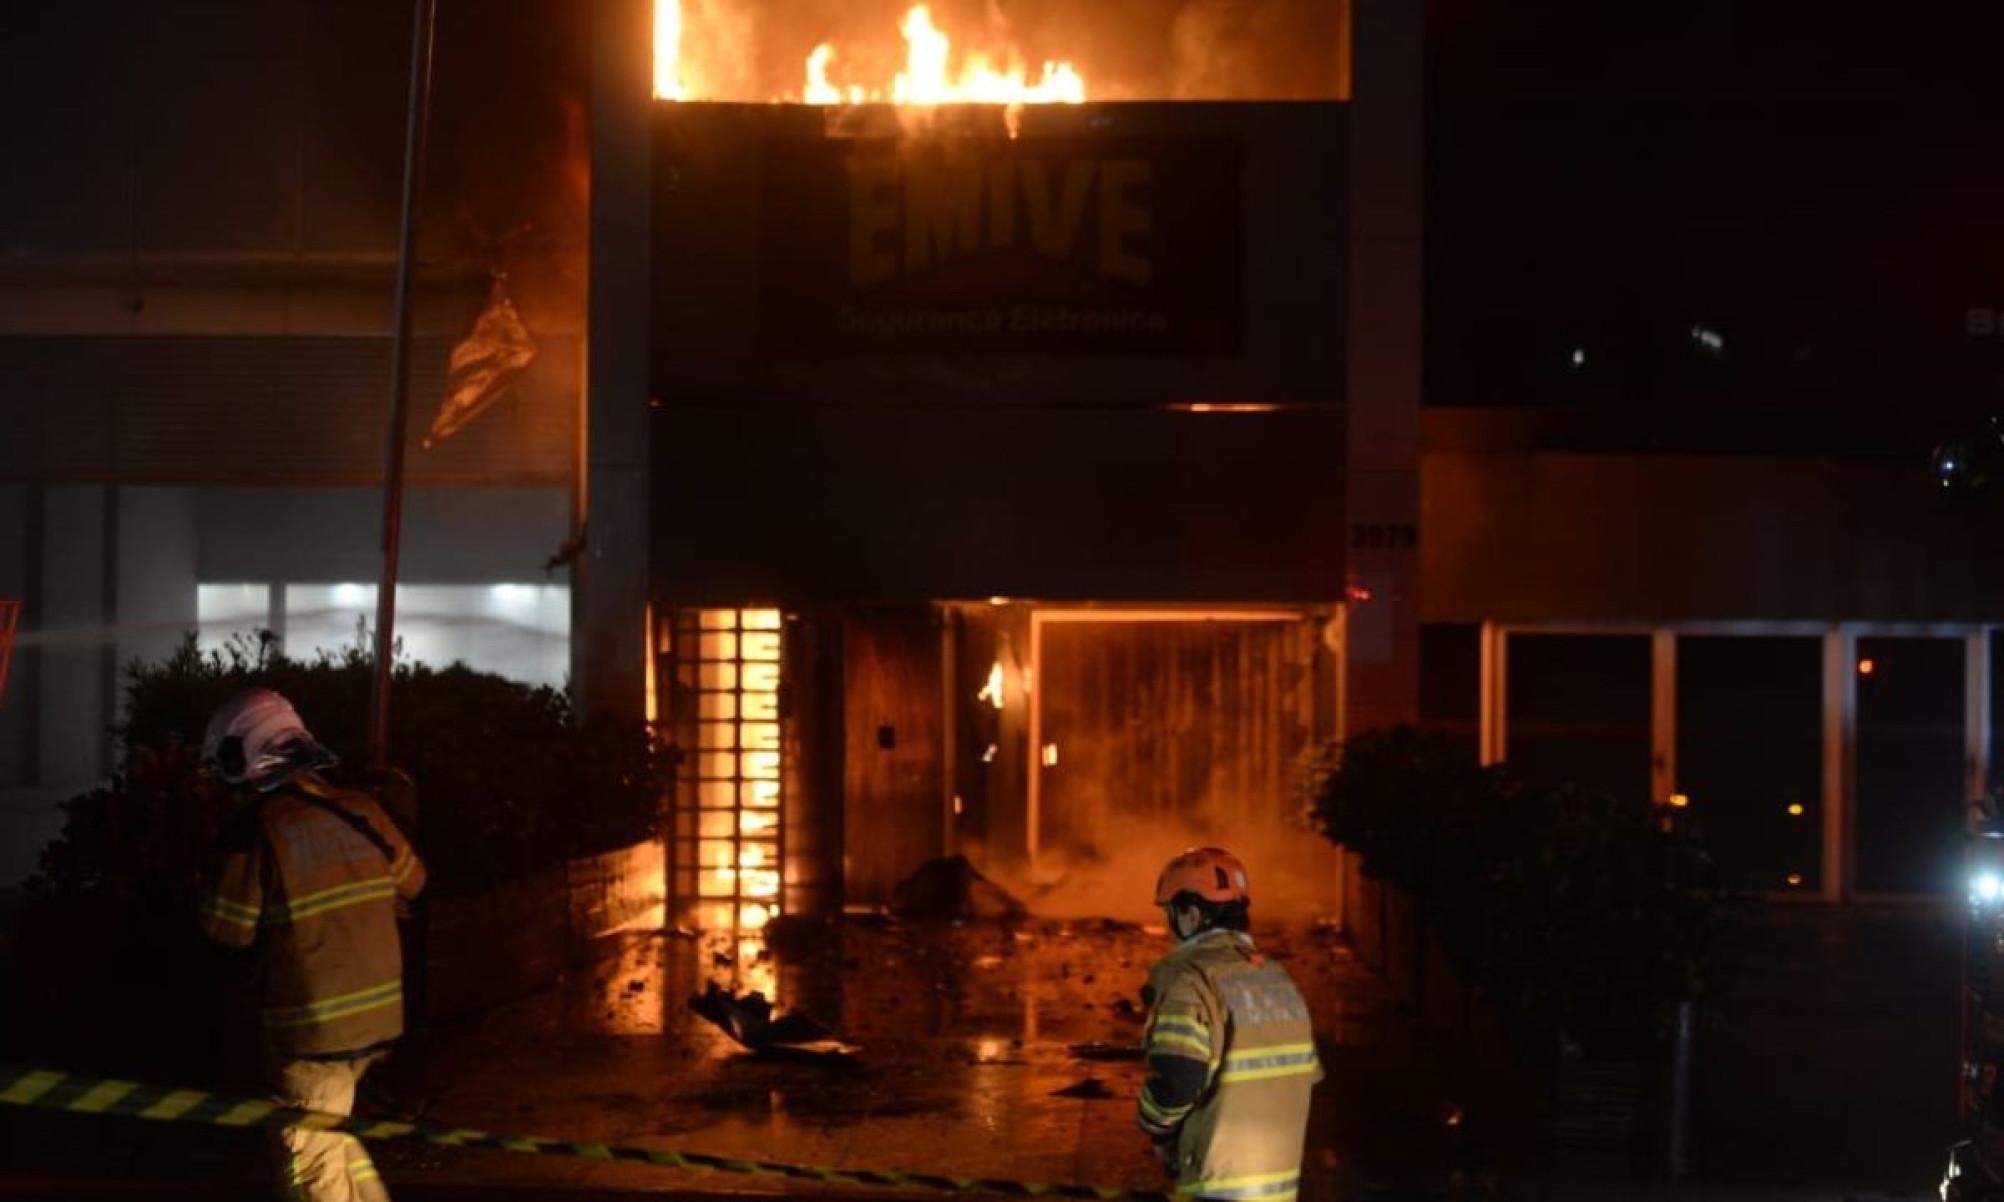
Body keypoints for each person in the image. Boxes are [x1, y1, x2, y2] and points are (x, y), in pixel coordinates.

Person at [197, 688, 425, 1202]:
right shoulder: (362, 810)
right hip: (380, 1022)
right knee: (333, 1139)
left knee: (307, 1157)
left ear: (244, 754)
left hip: (310, 1032)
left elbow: (227, 930)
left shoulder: (259, 829)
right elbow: (415, 882)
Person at [1137, 847, 1321, 1202]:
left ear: (1190, 914)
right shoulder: (1277, 978)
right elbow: (1304, 1076)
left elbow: (1177, 1080)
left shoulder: (1190, 982)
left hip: (1217, 1183)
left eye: (1172, 912)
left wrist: (1152, 1125)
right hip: (1279, 1187)